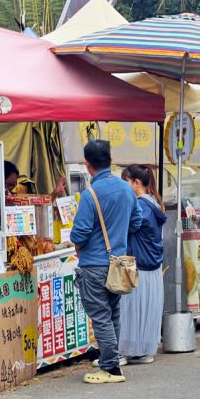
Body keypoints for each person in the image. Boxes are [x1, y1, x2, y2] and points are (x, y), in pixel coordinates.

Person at [70, 140, 142, 384]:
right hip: (118, 263)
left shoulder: (90, 194)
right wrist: (118, 239)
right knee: (113, 314)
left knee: (101, 316)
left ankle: (111, 368)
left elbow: (78, 234)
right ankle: (112, 361)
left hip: (94, 265)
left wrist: (83, 244)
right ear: (110, 160)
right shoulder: (126, 189)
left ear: (88, 165)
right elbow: (136, 222)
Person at [118, 164, 166, 364]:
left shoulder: (140, 206)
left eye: (125, 182)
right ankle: (145, 350)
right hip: (152, 267)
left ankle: (122, 352)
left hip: (137, 265)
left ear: (136, 183)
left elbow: (126, 226)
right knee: (145, 312)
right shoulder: (154, 203)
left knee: (129, 311)